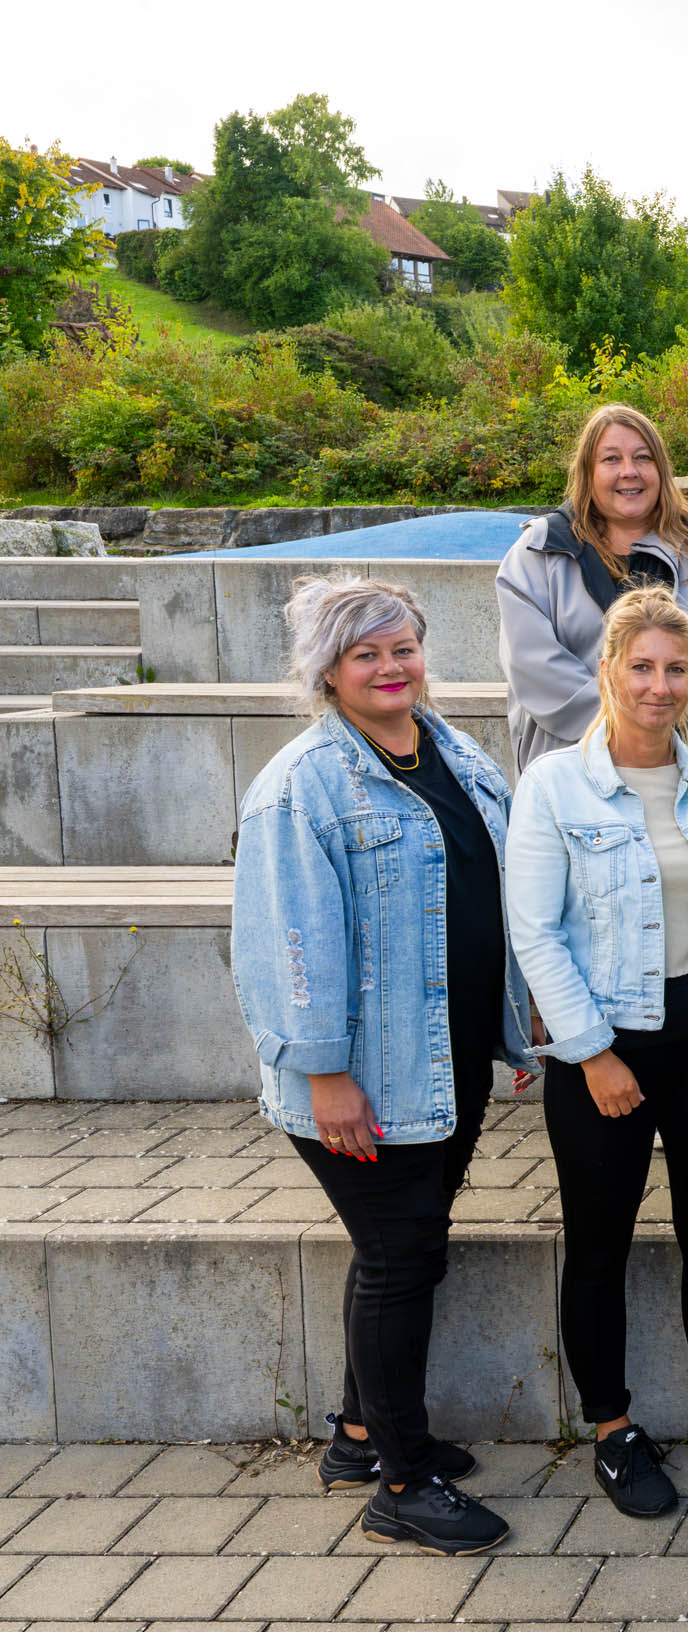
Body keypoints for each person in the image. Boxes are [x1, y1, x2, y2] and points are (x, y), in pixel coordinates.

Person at [232, 573, 530, 1558]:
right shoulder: (302, 786)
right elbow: (287, 942)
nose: (392, 667)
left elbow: (493, 891)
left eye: (403, 647)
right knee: (401, 1258)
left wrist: (515, 1022)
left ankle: (362, 1437)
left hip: (449, 1056)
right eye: (366, 653)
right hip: (364, 1077)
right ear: (328, 671)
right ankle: (402, 1485)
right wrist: (324, 1073)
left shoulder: (453, 751)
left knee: (406, 1249)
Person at [505, 585, 688, 1519]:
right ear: (607, 670)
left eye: (676, 669)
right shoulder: (554, 785)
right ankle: (613, 1430)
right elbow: (534, 932)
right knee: (601, 1243)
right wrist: (593, 1054)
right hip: (605, 1047)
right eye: (641, 666)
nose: (659, 686)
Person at [498, 403, 688, 771]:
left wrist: (665, 714)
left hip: (686, 767)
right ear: (587, 471)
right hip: (573, 769)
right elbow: (533, 664)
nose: (629, 471)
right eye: (611, 459)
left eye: (642, 457)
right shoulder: (537, 553)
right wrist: (627, 727)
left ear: (661, 469)